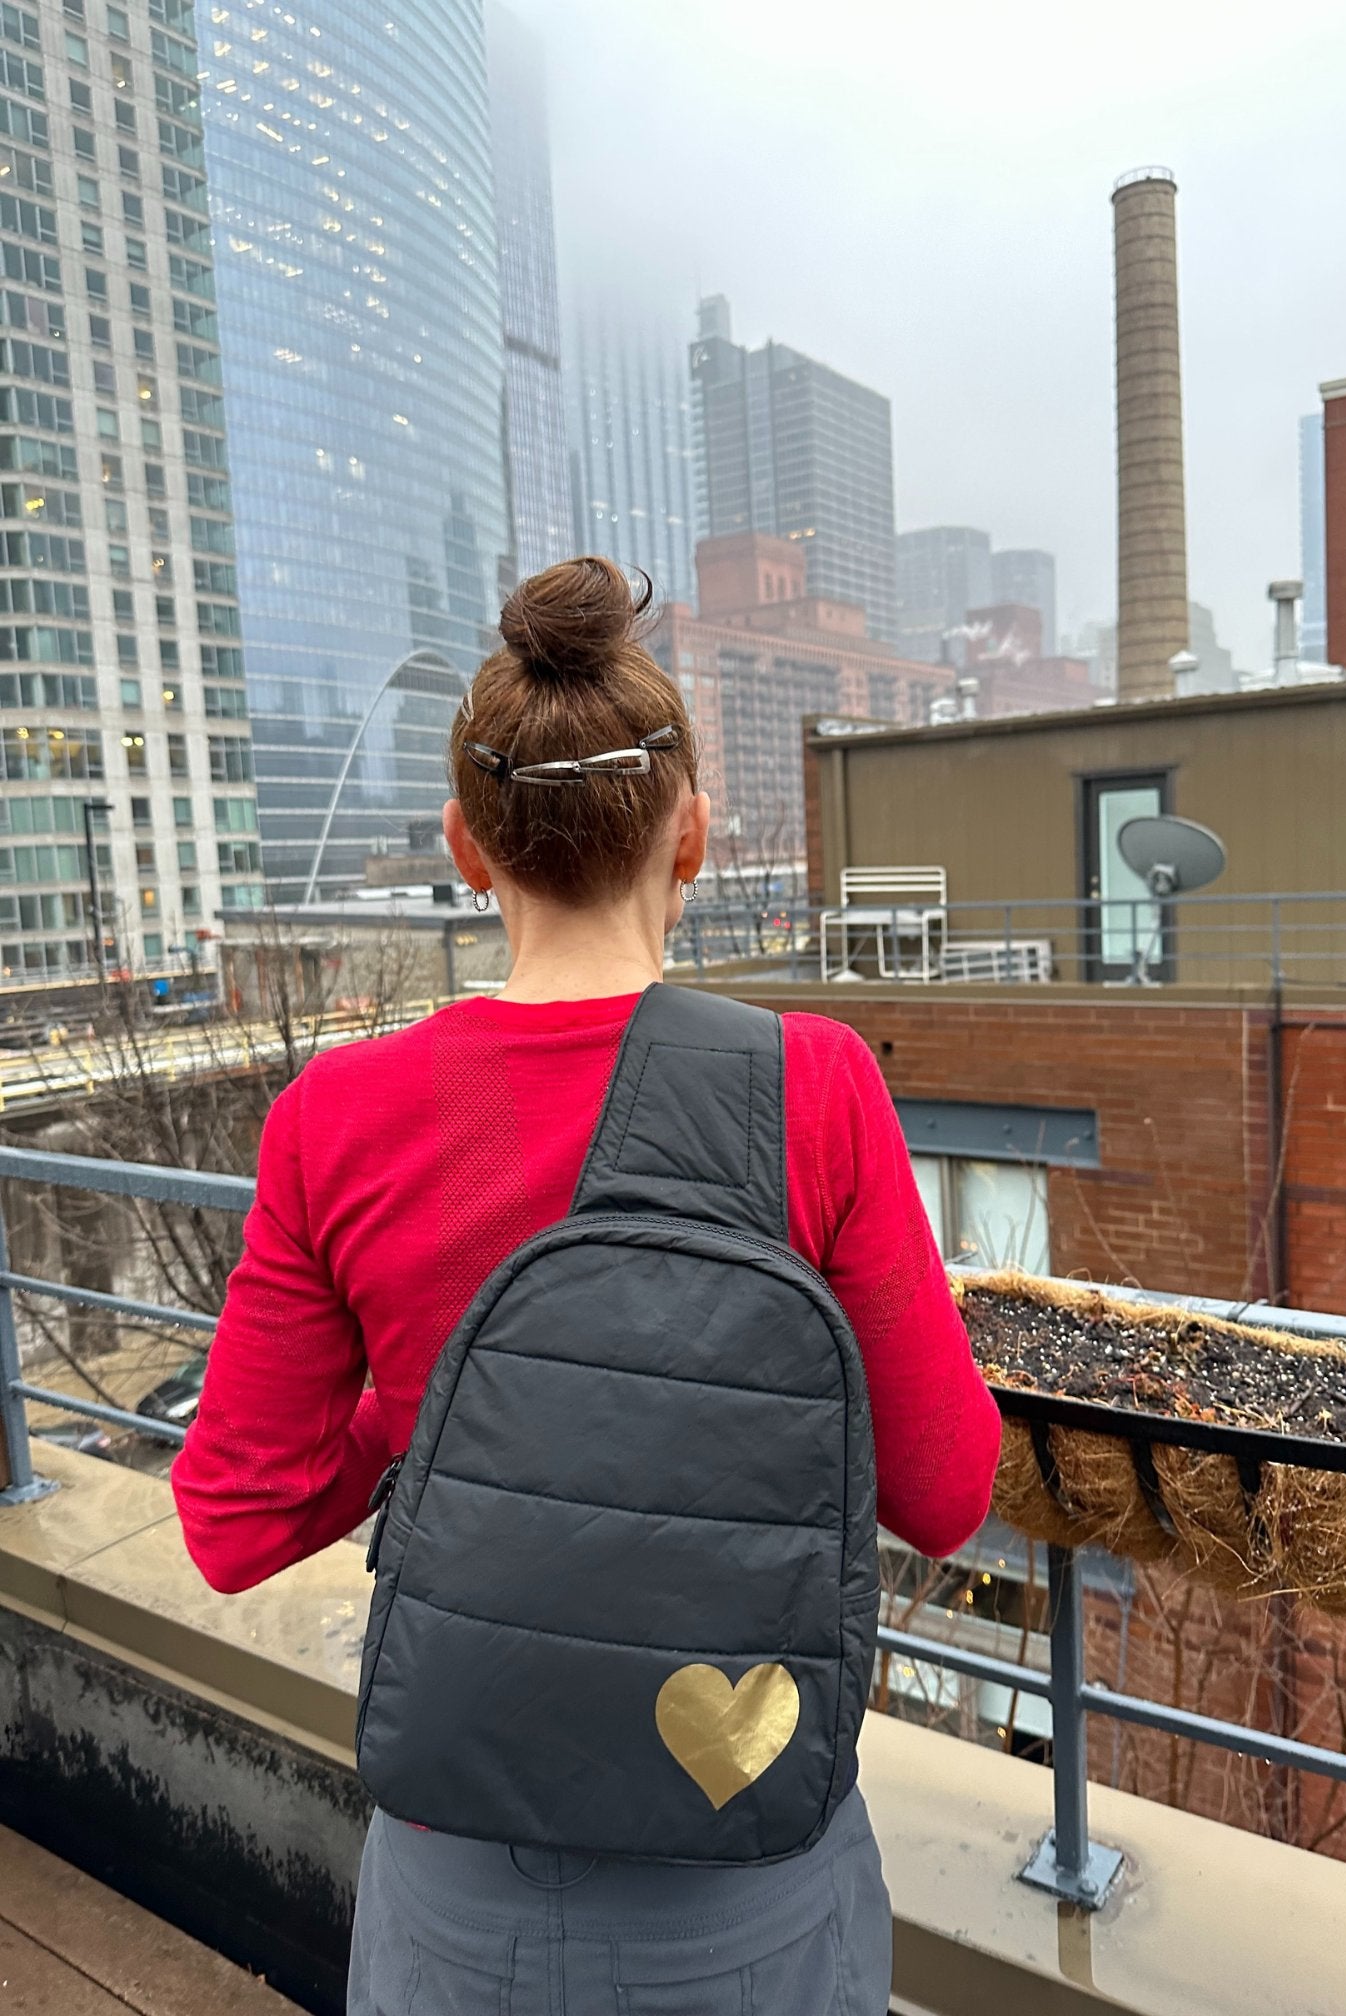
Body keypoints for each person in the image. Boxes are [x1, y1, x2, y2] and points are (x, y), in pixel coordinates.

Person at [173, 557, 1003, 2016]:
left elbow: (234, 1523)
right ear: (689, 839)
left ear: (465, 846)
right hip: (744, 1863)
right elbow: (943, 1491)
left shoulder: (335, 1118)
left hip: (459, 1886)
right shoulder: (813, 1088)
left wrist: (425, 1417)